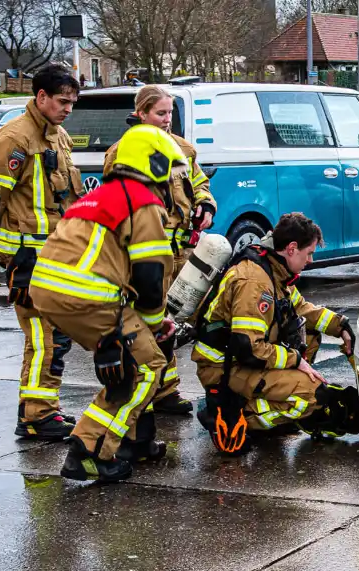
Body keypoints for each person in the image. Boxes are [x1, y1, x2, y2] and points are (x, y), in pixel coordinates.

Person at [30, 124, 185, 482]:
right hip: (88, 295)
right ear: (156, 164)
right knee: (148, 368)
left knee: (129, 366)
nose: (172, 184)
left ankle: (131, 442)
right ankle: (89, 451)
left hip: (51, 290)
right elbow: (149, 274)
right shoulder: (142, 202)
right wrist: (155, 321)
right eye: (171, 174)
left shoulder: (101, 195)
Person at [192, 212, 359, 454]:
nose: (311, 261)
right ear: (292, 248)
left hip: (243, 360)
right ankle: (236, 413)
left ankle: (274, 403)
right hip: (223, 368)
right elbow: (248, 348)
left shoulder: (275, 270)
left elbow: (300, 308)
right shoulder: (254, 282)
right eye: (309, 253)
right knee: (311, 395)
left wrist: (340, 326)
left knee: (310, 330)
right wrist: (295, 361)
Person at [0, 64, 83, 441]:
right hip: (27, 258)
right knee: (43, 335)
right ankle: (36, 415)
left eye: (72, 103)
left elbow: (68, 196)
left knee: (57, 336)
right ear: (41, 97)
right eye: (62, 101)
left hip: (56, 254)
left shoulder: (59, 137)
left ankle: (42, 409)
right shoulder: (14, 138)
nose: (68, 108)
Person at [101, 85, 216, 416]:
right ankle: (145, 394)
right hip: (145, 255)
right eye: (159, 113)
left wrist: (205, 205)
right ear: (141, 114)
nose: (167, 121)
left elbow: (200, 185)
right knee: (148, 323)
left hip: (180, 252)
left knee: (173, 323)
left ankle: (167, 391)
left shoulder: (182, 149)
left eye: (170, 114)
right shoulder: (121, 153)